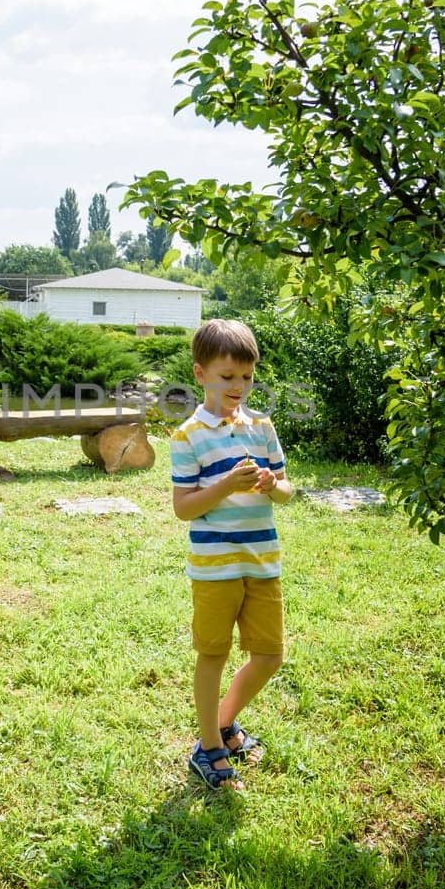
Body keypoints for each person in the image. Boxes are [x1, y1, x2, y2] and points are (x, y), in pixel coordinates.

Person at [169, 318, 294, 791]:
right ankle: (210, 748)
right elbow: (184, 509)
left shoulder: (262, 427)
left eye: (246, 376)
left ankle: (222, 723)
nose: (238, 386)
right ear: (201, 375)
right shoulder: (187, 437)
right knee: (213, 655)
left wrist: (271, 484)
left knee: (269, 654)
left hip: (262, 561)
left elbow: (286, 490)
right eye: (227, 377)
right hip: (215, 569)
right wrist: (224, 485)